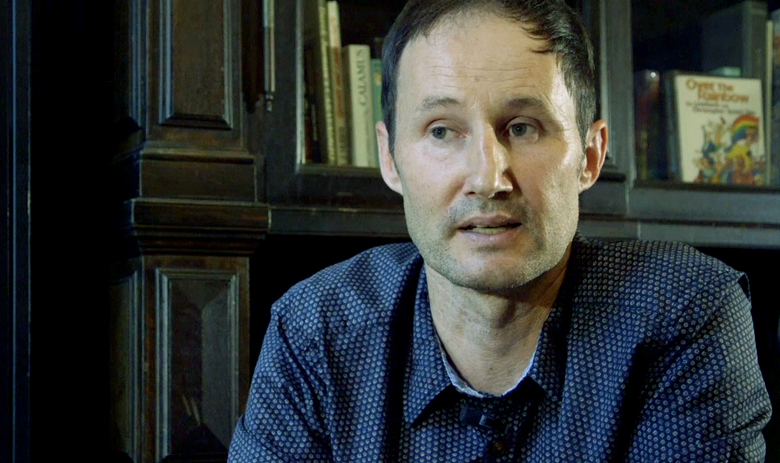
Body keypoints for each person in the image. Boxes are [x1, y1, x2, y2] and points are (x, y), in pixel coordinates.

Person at [229, 0, 772, 461]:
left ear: (590, 155)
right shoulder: (316, 334)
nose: (488, 179)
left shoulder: (683, 316)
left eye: (522, 127)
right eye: (442, 131)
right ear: (389, 159)